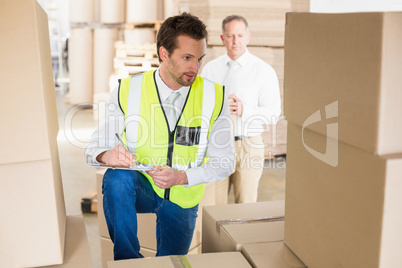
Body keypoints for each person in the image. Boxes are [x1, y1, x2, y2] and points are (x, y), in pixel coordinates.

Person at [85, 13, 234, 260]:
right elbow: (93, 148)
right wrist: (107, 153)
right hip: (142, 186)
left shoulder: (214, 96)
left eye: (199, 59)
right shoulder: (128, 90)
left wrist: (181, 176)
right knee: (116, 179)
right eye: (187, 58)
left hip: (183, 194)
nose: (195, 68)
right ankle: (128, 261)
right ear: (164, 54)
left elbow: (226, 161)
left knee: (171, 262)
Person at [201, 15, 281, 204]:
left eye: (239, 35)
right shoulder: (211, 70)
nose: (235, 40)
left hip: (248, 145)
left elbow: (274, 114)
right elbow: (200, 108)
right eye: (230, 36)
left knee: (245, 205)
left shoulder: (263, 71)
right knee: (212, 205)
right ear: (222, 39)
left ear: (248, 37)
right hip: (217, 145)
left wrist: (245, 110)